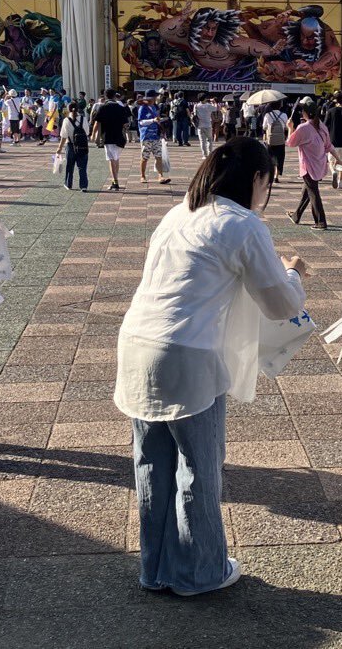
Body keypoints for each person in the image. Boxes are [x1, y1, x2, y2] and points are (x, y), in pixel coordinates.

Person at [115, 137, 308, 596]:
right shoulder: (242, 223)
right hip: (187, 353)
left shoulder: (181, 210)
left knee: (151, 463)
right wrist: (294, 271)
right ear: (257, 179)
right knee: (198, 466)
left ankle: (155, 569)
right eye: (269, 182)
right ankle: (200, 571)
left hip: (137, 343)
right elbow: (280, 302)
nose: (267, 193)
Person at [284, 102, 339, 231]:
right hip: (319, 163)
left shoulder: (303, 128)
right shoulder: (322, 126)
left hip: (308, 165)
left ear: (306, 114)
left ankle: (320, 221)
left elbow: (290, 142)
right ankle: (296, 216)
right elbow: (329, 146)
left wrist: (290, 128)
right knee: (308, 190)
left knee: (313, 192)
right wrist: (339, 159)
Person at [90, 90, 130, 191]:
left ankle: (115, 182)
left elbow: (97, 123)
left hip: (108, 136)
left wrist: (94, 135)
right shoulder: (120, 108)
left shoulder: (103, 107)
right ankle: (115, 180)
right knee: (116, 159)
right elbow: (126, 124)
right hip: (119, 137)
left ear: (105, 96)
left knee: (111, 159)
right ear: (115, 96)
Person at [136, 90, 170, 185]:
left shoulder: (155, 107)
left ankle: (160, 176)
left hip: (156, 135)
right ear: (151, 98)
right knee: (145, 157)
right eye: (156, 96)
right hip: (146, 136)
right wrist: (153, 120)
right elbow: (141, 122)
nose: (157, 98)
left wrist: (160, 121)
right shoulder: (143, 108)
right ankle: (142, 176)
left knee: (158, 156)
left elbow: (156, 120)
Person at [59, 104, 91, 192]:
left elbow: (63, 136)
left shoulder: (66, 120)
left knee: (70, 166)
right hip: (82, 145)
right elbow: (87, 132)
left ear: (68, 110)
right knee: (82, 167)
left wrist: (59, 148)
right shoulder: (83, 119)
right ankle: (83, 186)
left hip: (70, 145)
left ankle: (68, 184)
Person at [261, 102, 289, 183]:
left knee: (270, 158)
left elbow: (264, 127)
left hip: (270, 140)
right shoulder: (284, 115)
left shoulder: (267, 115)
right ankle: (276, 176)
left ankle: (270, 176)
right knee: (280, 158)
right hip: (281, 140)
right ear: (280, 106)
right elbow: (286, 127)